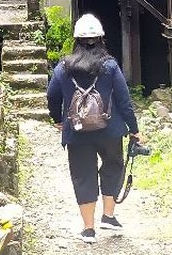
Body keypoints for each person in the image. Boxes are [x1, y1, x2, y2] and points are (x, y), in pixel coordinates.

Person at [46, 13, 142, 243]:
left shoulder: (63, 67)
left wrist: (57, 119)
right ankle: (108, 216)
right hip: (110, 130)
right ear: (101, 39)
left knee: (82, 175)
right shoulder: (110, 66)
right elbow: (124, 100)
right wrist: (134, 129)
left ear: (76, 40)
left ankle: (88, 229)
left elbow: (52, 95)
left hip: (76, 131)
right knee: (113, 166)